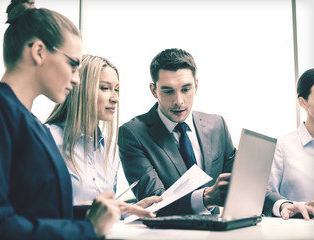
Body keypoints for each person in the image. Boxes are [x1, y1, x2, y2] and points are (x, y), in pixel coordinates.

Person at [0, 1, 120, 239]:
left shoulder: (35, 126)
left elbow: (40, 211)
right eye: (73, 64)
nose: (77, 79)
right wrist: (87, 230)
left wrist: (95, 214)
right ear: (38, 52)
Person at [118, 48, 236, 216]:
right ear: (153, 90)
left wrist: (279, 204)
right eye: (168, 91)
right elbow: (154, 201)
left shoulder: (218, 125)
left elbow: (240, 181)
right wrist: (207, 197)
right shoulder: (132, 134)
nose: (179, 101)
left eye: (186, 89)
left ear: (196, 85)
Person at [45, 54, 162, 217]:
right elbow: (36, 211)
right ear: (80, 88)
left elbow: (104, 215)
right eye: (105, 88)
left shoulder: (110, 149)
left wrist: (131, 210)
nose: (115, 98)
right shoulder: (46, 139)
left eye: (116, 89)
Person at [265, 68, 314, 220]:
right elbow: (265, 195)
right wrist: (289, 206)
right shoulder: (281, 146)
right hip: (296, 230)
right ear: (302, 102)